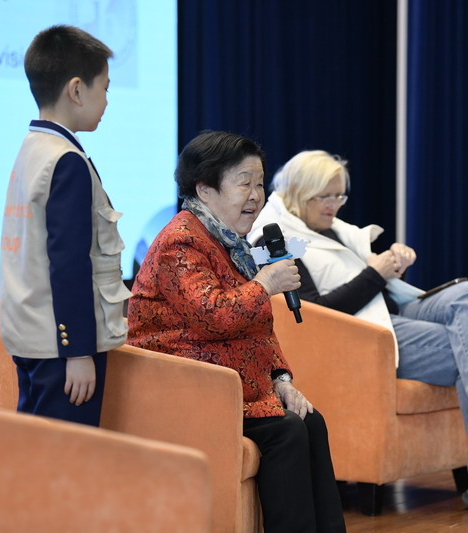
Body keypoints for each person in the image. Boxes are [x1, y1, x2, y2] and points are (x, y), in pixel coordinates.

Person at [249, 150, 468, 516]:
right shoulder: (275, 237)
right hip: (362, 335)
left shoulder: (335, 229)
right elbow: (314, 312)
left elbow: (372, 286)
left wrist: (394, 266)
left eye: (340, 195)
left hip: (388, 311)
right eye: (325, 196)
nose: (335, 205)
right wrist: (375, 274)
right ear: (299, 192)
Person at [127, 132, 346, 532]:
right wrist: (264, 284)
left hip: (230, 385)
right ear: (205, 189)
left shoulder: (228, 241)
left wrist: (280, 379)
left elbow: (256, 327)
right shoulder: (181, 242)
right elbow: (212, 316)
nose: (256, 195)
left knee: (310, 420)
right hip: (185, 390)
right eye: (244, 183)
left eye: (259, 183)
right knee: (285, 431)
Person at [0, 25, 130, 427]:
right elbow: (69, 262)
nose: (107, 101)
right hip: (60, 347)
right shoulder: (66, 160)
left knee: (37, 448)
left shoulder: (32, 146)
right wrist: (78, 351)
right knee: (65, 457)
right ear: (76, 90)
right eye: (104, 88)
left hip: (32, 335)